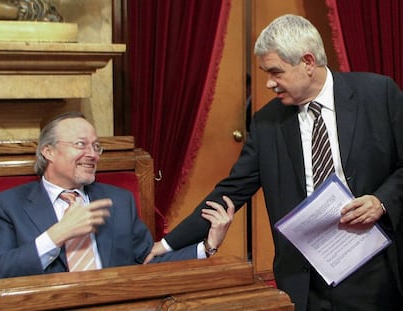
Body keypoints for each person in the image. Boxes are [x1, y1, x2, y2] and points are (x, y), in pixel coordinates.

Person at [145, 14, 403, 311]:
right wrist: (167, 245)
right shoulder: (267, 124)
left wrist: (380, 202)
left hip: (373, 272)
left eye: (276, 72)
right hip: (305, 280)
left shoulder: (378, 94)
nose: (269, 83)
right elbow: (230, 192)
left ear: (307, 62)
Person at [0, 111, 234, 280]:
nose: (93, 154)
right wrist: (56, 236)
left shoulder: (118, 201)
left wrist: (207, 246)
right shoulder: (7, 205)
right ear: (48, 152)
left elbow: (147, 261)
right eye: (80, 144)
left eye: (96, 147)